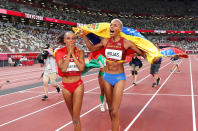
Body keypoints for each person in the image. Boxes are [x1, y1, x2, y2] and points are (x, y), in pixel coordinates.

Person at [80, 19, 144, 131]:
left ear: (120, 29)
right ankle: (116, 126)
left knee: (115, 111)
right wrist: (84, 35)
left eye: (115, 25)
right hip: (107, 77)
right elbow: (91, 49)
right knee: (110, 110)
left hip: (119, 77)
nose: (111, 27)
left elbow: (141, 53)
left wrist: (153, 54)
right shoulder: (105, 41)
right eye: (111, 25)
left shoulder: (126, 43)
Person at [54, 31, 85, 131]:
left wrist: (73, 55)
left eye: (73, 38)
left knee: (76, 118)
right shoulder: (59, 52)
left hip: (78, 85)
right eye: (68, 38)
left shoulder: (80, 52)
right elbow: (63, 68)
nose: (71, 41)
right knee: (73, 118)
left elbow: (81, 68)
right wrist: (69, 54)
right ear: (64, 40)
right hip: (66, 87)